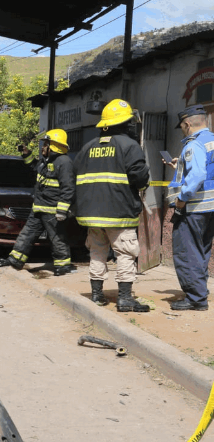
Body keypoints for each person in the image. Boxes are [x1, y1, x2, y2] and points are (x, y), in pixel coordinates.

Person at [72, 99, 150, 312]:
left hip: (91, 214)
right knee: (125, 253)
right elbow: (140, 177)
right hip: (119, 213)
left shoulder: (87, 147)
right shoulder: (129, 146)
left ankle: (96, 295)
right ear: (125, 124)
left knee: (97, 252)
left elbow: (74, 175)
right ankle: (124, 298)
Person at [0, 129, 76, 275]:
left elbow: (68, 188)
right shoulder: (46, 162)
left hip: (52, 209)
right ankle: (16, 259)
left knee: (57, 238)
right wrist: (26, 154)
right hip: (39, 207)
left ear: (54, 146)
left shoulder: (64, 163)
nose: (43, 147)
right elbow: (34, 166)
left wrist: (62, 210)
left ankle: (63, 265)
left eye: (46, 144)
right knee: (27, 234)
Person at [163, 104, 214, 311]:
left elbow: (199, 175)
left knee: (187, 252)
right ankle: (200, 291)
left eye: (183, 127)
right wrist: (179, 167)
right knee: (201, 251)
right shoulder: (211, 140)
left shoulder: (194, 145)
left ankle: (196, 299)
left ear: (187, 124)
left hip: (194, 208)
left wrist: (182, 199)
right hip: (210, 208)